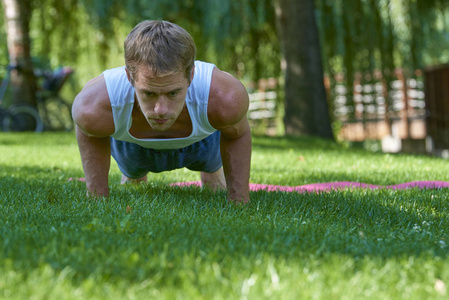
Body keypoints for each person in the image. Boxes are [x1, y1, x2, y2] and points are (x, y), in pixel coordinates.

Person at [72, 20, 251, 203]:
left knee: (214, 185)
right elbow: (89, 132)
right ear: (129, 77)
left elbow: (237, 134)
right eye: (148, 93)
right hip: (133, 147)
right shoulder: (94, 106)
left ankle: (212, 172)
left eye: (173, 93)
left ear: (191, 76)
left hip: (203, 142)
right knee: (135, 184)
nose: (160, 110)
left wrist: (239, 200)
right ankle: (133, 175)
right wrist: (97, 196)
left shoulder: (225, 98)